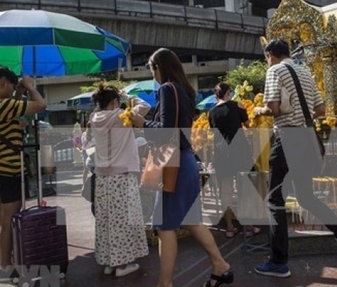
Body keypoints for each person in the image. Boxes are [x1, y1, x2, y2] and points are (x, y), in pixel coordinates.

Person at [252, 39, 337, 278]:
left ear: (270, 54)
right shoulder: (304, 72)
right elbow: (320, 110)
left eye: (266, 57)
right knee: (306, 196)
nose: (266, 61)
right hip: (307, 138)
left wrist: (259, 110)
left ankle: (278, 261)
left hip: (287, 138)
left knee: (274, 198)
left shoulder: (274, 70)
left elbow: (273, 108)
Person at [132, 48, 233, 287]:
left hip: (173, 164)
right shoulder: (184, 90)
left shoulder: (167, 89)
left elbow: (168, 131)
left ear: (158, 66)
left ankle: (165, 283)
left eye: (151, 68)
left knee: (165, 226)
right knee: (191, 220)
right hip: (185, 161)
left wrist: (141, 122)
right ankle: (220, 265)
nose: (152, 74)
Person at [0, 66, 47, 284]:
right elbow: (41, 105)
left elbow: (12, 111)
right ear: (2, 83)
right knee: (8, 220)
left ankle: (0, 264)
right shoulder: (3, 105)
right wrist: (30, 87)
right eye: (11, 86)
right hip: (9, 170)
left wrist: (18, 92)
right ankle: (6, 268)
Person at [90, 84, 150, 278]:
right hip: (122, 177)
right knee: (123, 221)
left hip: (102, 178)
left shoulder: (94, 118)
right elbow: (145, 105)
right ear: (115, 101)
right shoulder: (120, 116)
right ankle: (123, 264)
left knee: (106, 221)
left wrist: (119, 99)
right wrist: (128, 95)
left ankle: (109, 262)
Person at [207, 82, 260, 238]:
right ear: (229, 92)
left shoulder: (211, 113)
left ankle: (229, 227)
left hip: (221, 153)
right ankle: (249, 226)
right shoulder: (238, 105)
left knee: (226, 191)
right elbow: (247, 125)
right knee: (245, 188)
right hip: (240, 150)